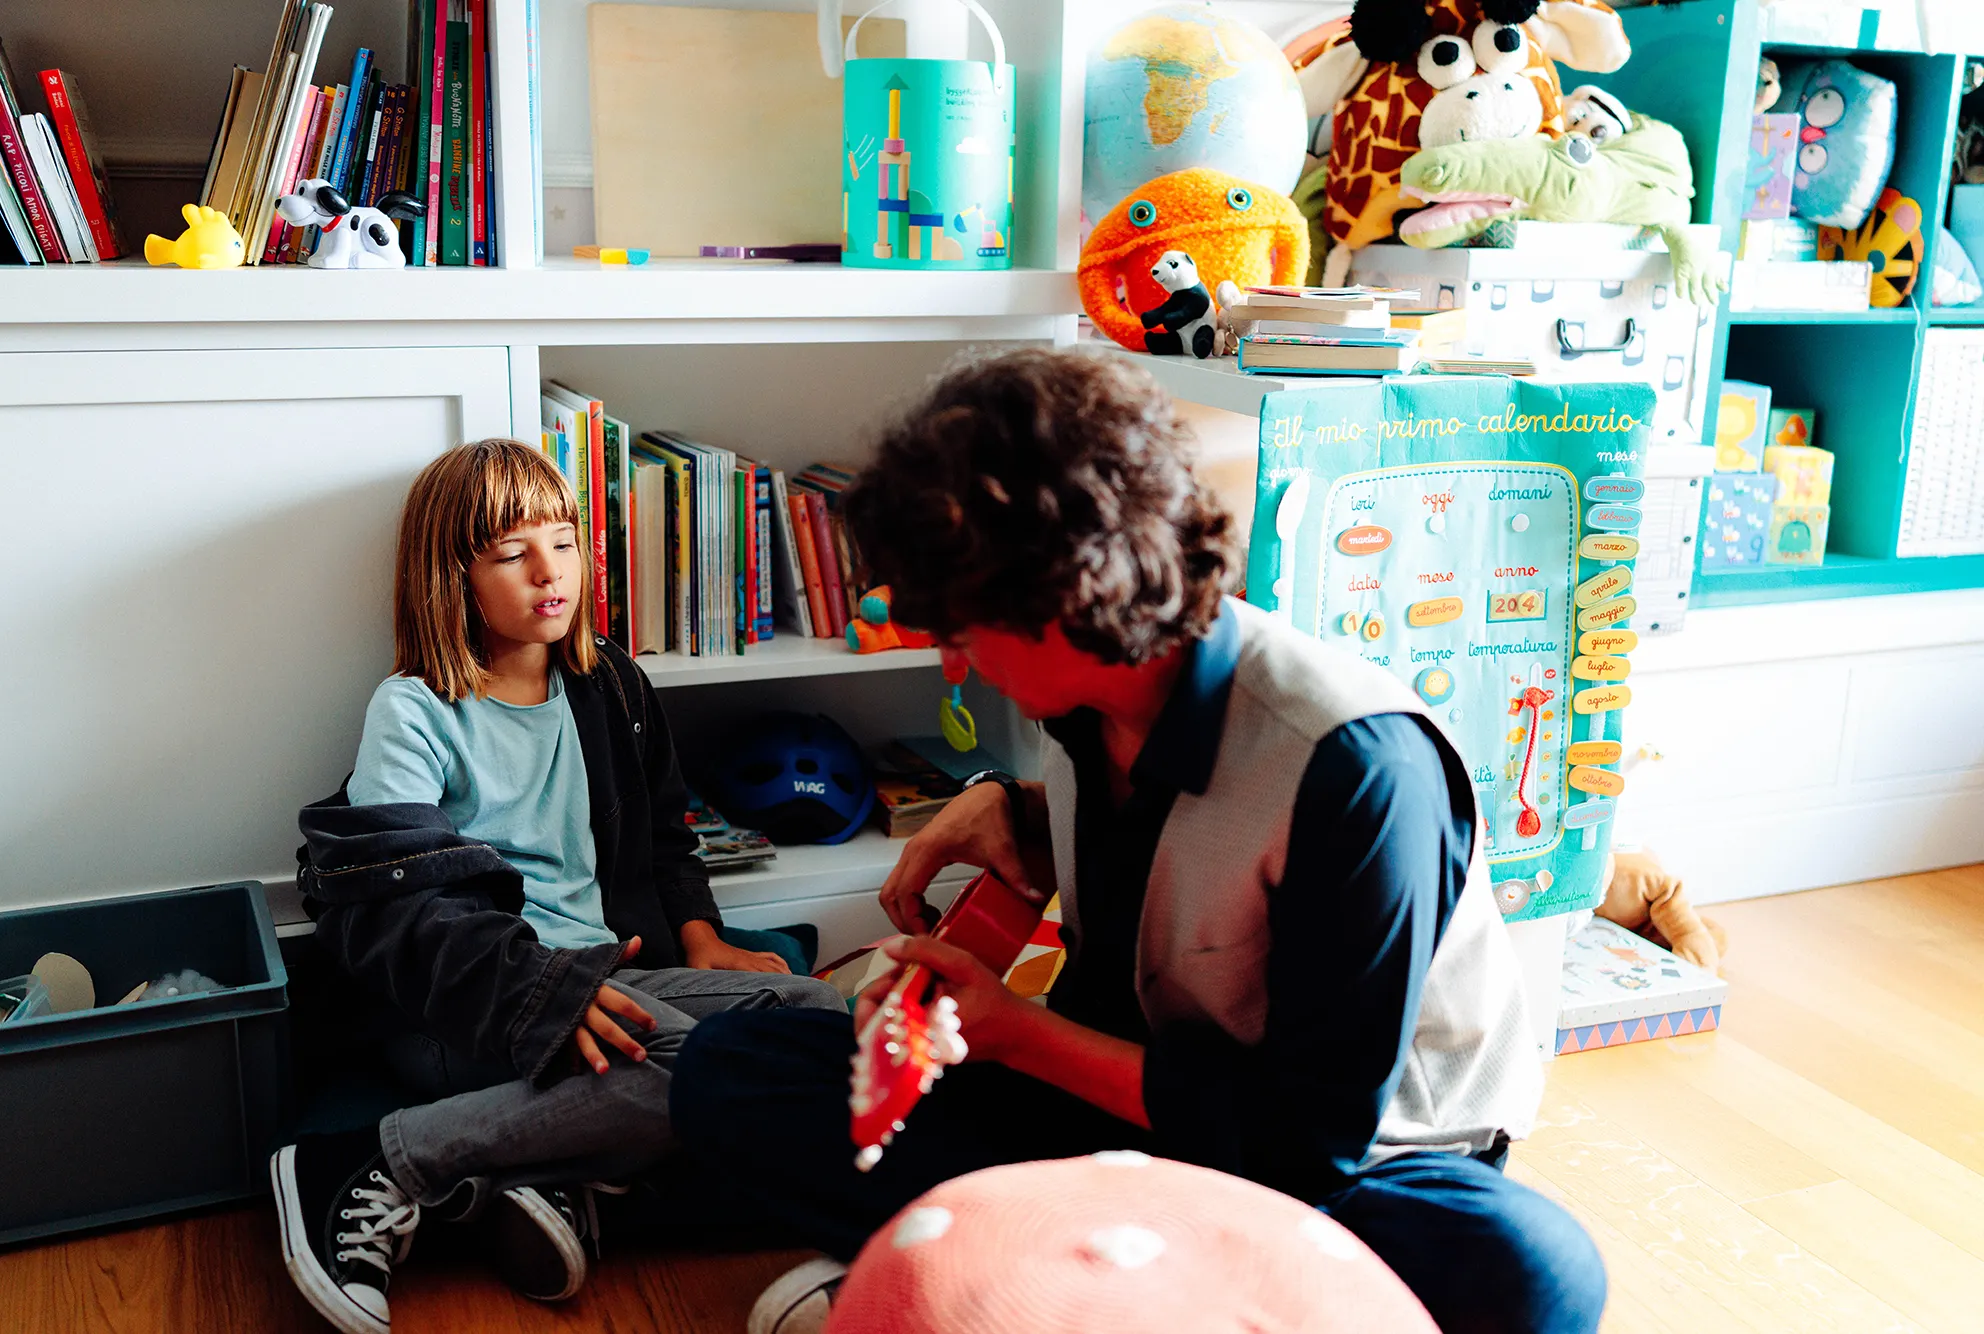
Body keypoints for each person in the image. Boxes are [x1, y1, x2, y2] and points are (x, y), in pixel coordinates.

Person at [670, 350, 1606, 1334]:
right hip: (1131, 1097)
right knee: (738, 1065)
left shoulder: (1357, 765)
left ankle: (991, 1264)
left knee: (1529, 1269)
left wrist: (1016, 1032)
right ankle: (1077, 1277)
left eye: (964, 630)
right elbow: (1156, 875)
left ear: (1067, 595)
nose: (951, 664)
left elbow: (1304, 1139)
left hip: (1337, 1164)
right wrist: (1013, 816)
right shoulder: (1081, 705)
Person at [271, 439, 845, 1334]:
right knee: (692, 1064)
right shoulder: (414, 712)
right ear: (452, 578)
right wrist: (543, 992)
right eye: (513, 554)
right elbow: (395, 908)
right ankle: (377, 1162)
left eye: (565, 543)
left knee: (816, 1017)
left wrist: (702, 938)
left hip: (607, 973)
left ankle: (561, 1185)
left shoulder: (610, 685)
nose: (550, 572)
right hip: (470, 1006)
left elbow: (665, 835)